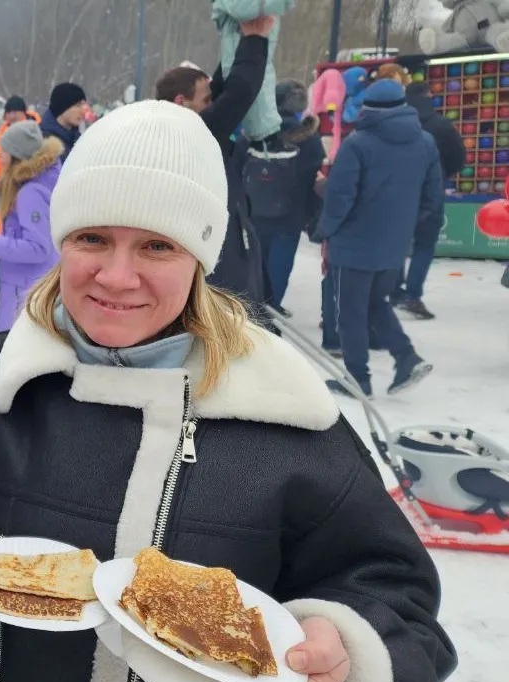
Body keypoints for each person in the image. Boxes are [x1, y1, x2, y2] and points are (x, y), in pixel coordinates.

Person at [0, 100, 455, 682]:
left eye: (157, 246)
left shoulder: (284, 411)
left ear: (200, 258)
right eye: (93, 238)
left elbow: (396, 596)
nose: (117, 276)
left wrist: (345, 651)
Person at [320, 79, 442, 398]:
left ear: (367, 109)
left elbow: (339, 198)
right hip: (394, 245)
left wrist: (324, 230)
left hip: (354, 244)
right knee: (376, 303)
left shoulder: (357, 144)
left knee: (350, 312)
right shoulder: (425, 142)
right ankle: (406, 357)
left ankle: (357, 379)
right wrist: (404, 226)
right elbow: (432, 197)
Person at [157, 16, 272, 315]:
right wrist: (255, 39)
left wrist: (235, 39)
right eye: (206, 99)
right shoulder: (190, 130)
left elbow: (222, 90)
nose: (213, 102)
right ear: (182, 101)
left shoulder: (185, 121)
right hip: (214, 256)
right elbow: (238, 95)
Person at [0, 121, 63, 332]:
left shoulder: (31, 192)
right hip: (29, 287)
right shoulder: (41, 181)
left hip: (25, 292)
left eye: (3, 151)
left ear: (17, 155)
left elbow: (39, 248)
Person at [245, 80, 324, 311]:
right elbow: (313, 176)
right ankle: (271, 310)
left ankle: (252, 307)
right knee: (280, 264)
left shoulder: (257, 132)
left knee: (257, 260)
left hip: (255, 209)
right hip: (291, 213)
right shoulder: (310, 138)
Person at [397, 78, 467, 320]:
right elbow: (458, 157)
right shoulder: (441, 126)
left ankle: (394, 291)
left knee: (396, 242)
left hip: (397, 192)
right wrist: (443, 174)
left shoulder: (396, 125)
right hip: (432, 190)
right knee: (424, 245)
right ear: (428, 96)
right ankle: (412, 296)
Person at [0, 95, 33, 225]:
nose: (12, 115)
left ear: (24, 112)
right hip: (4, 189)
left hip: (27, 187)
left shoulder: (35, 132)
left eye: (15, 111)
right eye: (9, 112)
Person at [38, 82, 88, 156]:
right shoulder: (41, 142)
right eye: (78, 105)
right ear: (62, 108)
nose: (83, 111)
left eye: (83, 105)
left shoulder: (79, 139)